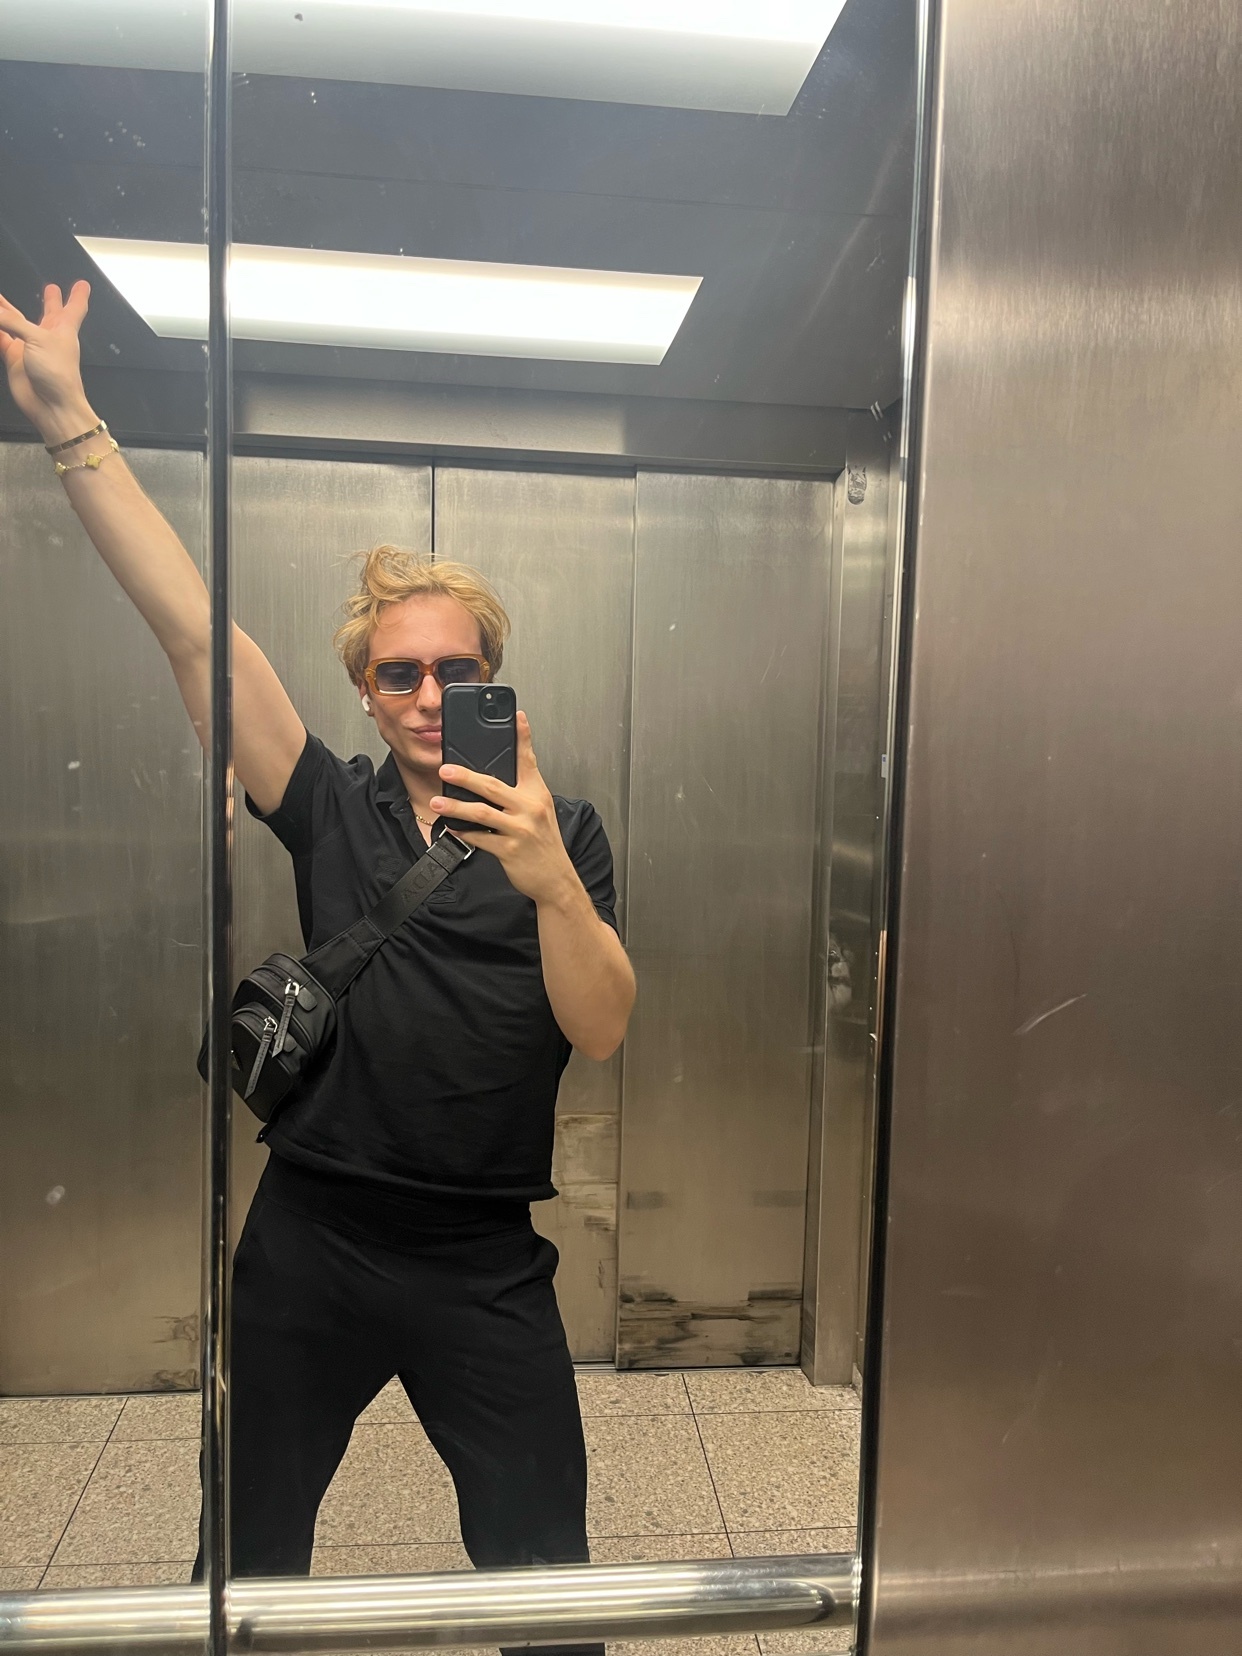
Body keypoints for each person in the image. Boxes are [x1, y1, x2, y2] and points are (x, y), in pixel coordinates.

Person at [0, 281, 636, 1638]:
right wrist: (71, 427)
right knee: (244, 1557)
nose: (428, 696)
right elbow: (194, 630)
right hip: (310, 1241)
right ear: (365, 689)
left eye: (455, 671)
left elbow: (601, 1026)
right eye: (400, 674)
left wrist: (547, 883)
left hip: (484, 1257)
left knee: (548, 1577)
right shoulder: (330, 806)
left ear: (495, 679)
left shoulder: (564, 830)